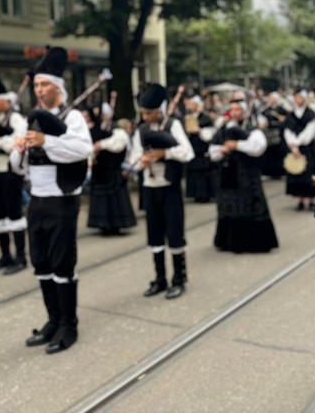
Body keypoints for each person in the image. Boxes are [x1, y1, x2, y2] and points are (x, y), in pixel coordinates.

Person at [12, 47, 92, 354]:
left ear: (57, 87)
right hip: (37, 199)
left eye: (44, 85)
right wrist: (19, 148)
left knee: (62, 263)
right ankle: (52, 320)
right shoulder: (30, 119)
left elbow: (82, 149)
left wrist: (48, 140)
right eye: (36, 86)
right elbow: (15, 164)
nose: (39, 90)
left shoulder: (72, 118)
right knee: (41, 262)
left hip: (62, 200)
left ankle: (68, 325)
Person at [128, 83, 195, 300]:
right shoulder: (141, 131)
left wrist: (163, 154)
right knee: (154, 234)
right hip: (150, 188)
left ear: (160, 110)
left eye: (150, 113)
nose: (147, 117)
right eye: (144, 113)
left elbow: (187, 152)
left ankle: (179, 279)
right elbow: (133, 159)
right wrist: (142, 161)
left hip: (170, 188)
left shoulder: (172, 125)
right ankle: (160, 278)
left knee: (174, 232)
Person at [209, 101, 278, 253]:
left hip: (248, 178)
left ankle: (253, 243)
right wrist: (222, 150)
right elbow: (212, 151)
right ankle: (228, 242)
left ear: (244, 112)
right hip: (228, 177)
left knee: (251, 207)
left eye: (238, 110)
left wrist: (237, 145)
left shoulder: (252, 130)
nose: (235, 112)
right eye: (232, 109)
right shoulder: (222, 130)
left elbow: (258, 147)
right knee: (230, 209)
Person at [0, 72, 29, 274]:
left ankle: (20, 257)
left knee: (14, 212)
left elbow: (20, 141)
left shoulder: (16, 118)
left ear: (5, 101)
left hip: (11, 170)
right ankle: (5, 256)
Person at [85, 105, 136, 235]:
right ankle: (103, 224)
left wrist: (102, 145)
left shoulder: (116, 130)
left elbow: (119, 144)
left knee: (114, 200)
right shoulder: (92, 130)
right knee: (102, 200)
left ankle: (116, 224)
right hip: (100, 171)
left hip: (112, 170)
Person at [284, 89, 315, 210]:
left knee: (309, 173)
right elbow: (287, 131)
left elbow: (309, 132)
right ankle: (300, 200)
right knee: (296, 173)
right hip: (294, 149)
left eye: (300, 97)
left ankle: (310, 200)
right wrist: (292, 145)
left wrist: (298, 143)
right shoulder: (290, 115)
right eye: (296, 97)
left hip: (307, 148)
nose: (298, 100)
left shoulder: (311, 114)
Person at [183, 95, 216, 203]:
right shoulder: (188, 117)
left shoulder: (205, 118)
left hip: (202, 150)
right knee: (193, 173)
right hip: (192, 149)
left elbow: (209, 135)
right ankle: (195, 194)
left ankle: (204, 195)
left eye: (192, 104)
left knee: (202, 174)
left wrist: (198, 130)